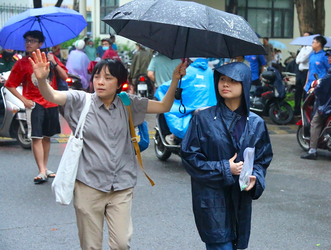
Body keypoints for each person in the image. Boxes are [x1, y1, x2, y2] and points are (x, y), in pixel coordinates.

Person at [29, 49, 187, 249]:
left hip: (121, 186)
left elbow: (164, 106)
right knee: (91, 246)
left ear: (120, 82)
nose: (100, 82)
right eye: (97, 77)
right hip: (88, 185)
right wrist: (43, 80)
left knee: (121, 244)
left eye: (108, 77)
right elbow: (51, 96)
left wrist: (175, 80)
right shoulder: (81, 101)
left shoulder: (129, 103)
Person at [181, 62, 273, 250]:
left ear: (245, 84)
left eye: (232, 81)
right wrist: (225, 168)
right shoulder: (202, 119)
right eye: (222, 79)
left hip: (241, 199)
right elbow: (190, 158)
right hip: (211, 199)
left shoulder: (256, 123)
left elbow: (262, 159)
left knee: (236, 243)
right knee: (220, 244)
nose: (225, 84)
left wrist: (256, 177)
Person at [4, 30, 68, 184]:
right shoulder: (22, 63)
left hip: (51, 101)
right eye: (27, 40)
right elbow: (10, 84)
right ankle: (41, 170)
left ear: (40, 44)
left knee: (47, 137)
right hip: (34, 104)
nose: (28, 43)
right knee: (36, 137)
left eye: (32, 41)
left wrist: (53, 61)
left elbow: (65, 76)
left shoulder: (49, 59)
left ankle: (45, 168)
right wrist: (24, 100)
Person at [154, 58, 217, 145]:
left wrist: (161, 89)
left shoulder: (189, 71)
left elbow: (178, 85)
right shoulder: (210, 72)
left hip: (194, 108)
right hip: (211, 107)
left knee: (176, 112)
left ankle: (173, 136)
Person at [294, 32, 313, 116]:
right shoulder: (303, 48)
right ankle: (296, 109)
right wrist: (300, 59)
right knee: (297, 91)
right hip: (300, 72)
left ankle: (304, 110)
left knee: (305, 92)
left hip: (306, 72)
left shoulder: (311, 48)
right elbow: (297, 59)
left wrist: (300, 59)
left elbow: (303, 59)